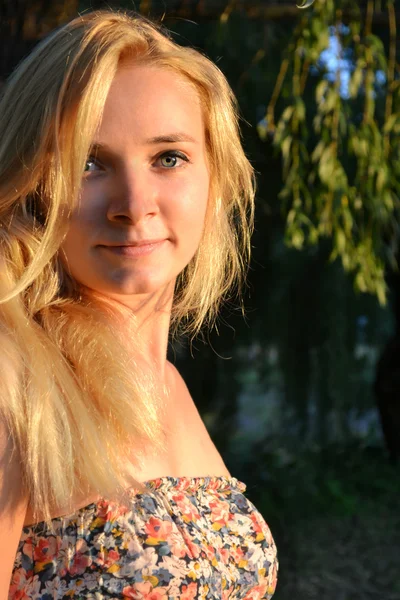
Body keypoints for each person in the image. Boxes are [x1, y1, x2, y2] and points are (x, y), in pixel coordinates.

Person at [0, 10, 278, 599]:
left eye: (168, 157)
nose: (134, 203)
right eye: (88, 164)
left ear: (216, 178)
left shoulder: (169, 384)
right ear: (31, 186)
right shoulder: (15, 383)